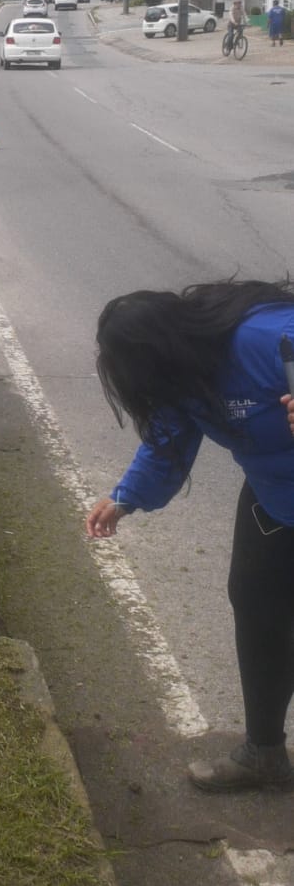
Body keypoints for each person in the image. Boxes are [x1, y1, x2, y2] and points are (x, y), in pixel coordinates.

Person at [86, 279, 294, 793]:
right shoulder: (182, 378)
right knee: (256, 607)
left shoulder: (267, 338)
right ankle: (263, 753)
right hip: (276, 499)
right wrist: (124, 497)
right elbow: (166, 444)